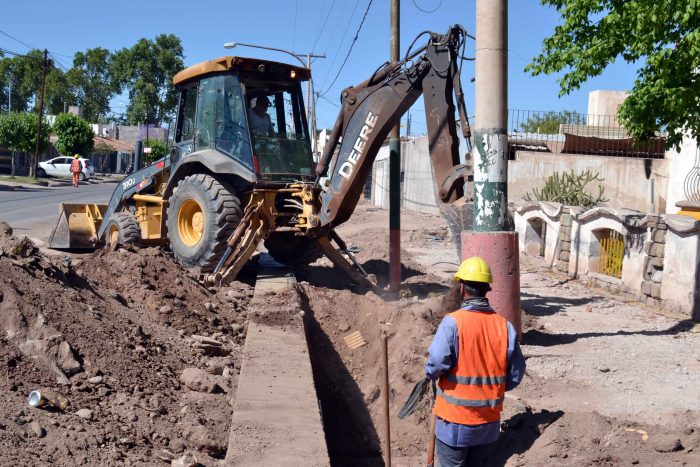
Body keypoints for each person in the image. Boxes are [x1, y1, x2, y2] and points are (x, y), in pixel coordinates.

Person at [425, 257, 526, 467]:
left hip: (453, 422)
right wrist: (489, 390)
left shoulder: (452, 323)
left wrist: (433, 375)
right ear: (488, 289)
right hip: (487, 424)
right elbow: (515, 375)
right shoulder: (505, 327)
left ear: (462, 288)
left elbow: (435, 364)